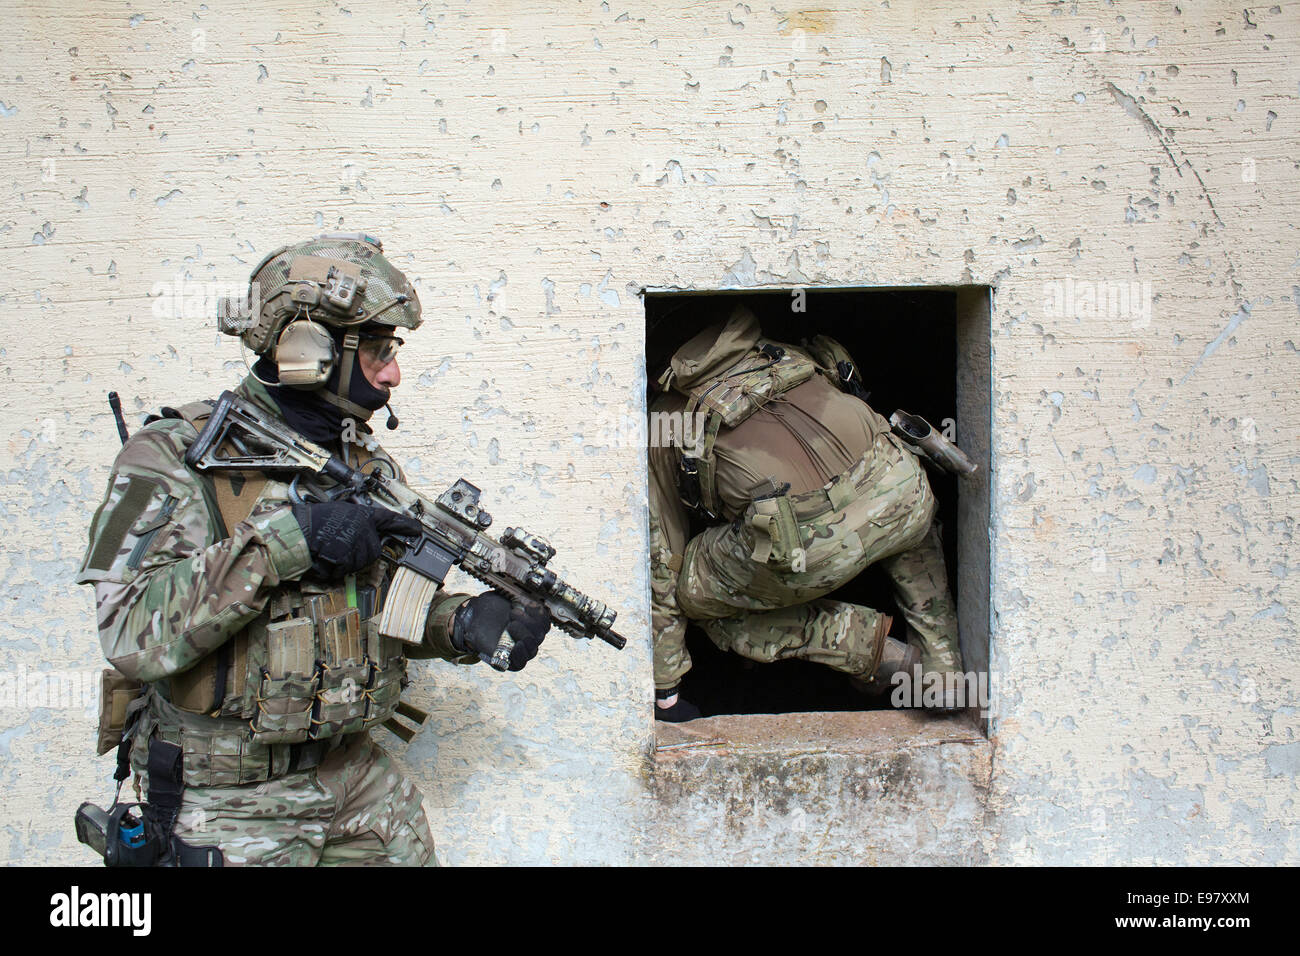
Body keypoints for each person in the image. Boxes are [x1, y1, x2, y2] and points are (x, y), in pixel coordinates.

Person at [75, 233, 550, 865]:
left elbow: (374, 611)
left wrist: (459, 625)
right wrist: (287, 542)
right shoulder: (168, 459)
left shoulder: (368, 465)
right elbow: (130, 633)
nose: (393, 373)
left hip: (354, 778)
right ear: (310, 351)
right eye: (379, 350)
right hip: (228, 801)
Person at [648, 304, 964, 721]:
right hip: (903, 491)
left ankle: (871, 648)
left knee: (694, 594)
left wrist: (666, 686)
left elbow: (662, 555)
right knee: (907, 504)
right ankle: (945, 674)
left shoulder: (663, 419)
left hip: (805, 548)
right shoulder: (787, 351)